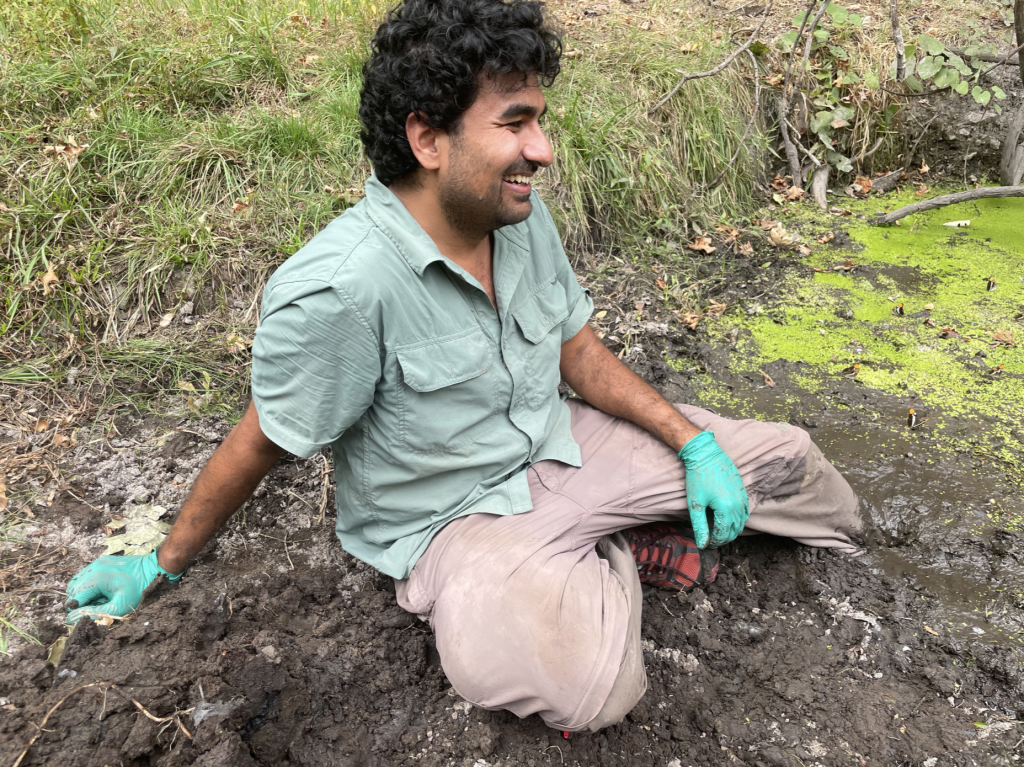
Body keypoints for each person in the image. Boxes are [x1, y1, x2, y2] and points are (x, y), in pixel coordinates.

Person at [65, 0, 863, 734]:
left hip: (561, 446)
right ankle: (616, 549)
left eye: (540, 121)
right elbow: (263, 440)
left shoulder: (518, 216)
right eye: (515, 124)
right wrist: (162, 564)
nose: (542, 150)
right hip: (455, 522)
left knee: (797, 469)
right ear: (427, 138)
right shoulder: (341, 289)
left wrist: (692, 444)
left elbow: (576, 352)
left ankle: (612, 535)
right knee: (584, 684)